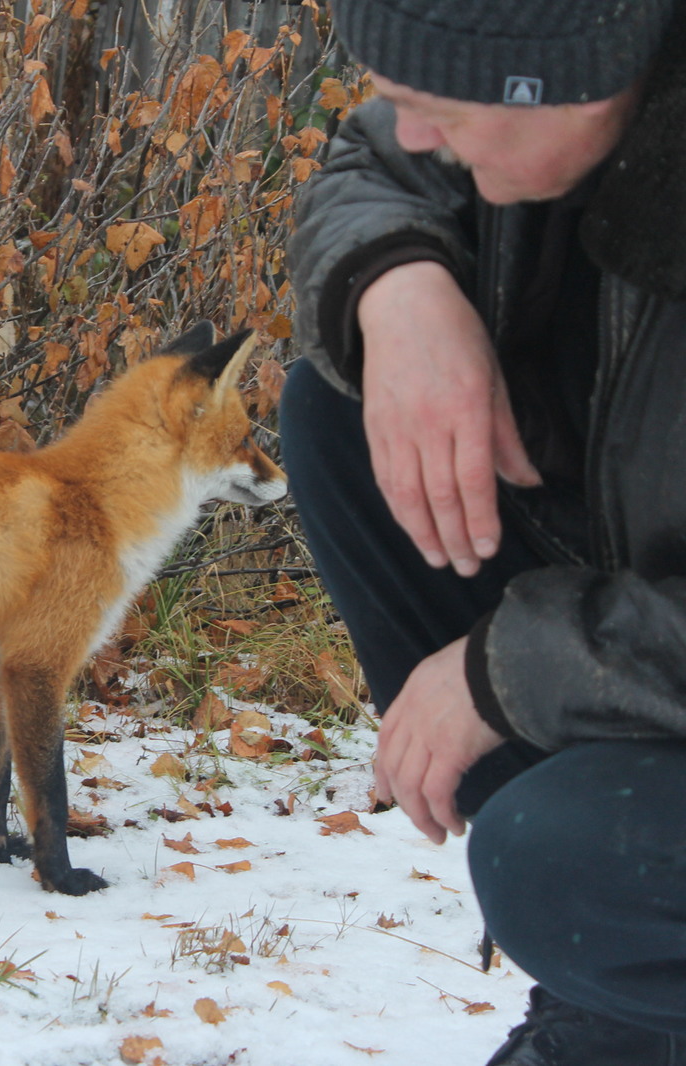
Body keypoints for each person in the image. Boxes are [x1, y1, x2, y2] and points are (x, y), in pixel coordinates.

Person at [278, 0, 686, 1062]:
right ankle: (621, 996)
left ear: (564, 76)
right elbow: (374, 160)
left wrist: (506, 668)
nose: (415, 131)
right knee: (339, 416)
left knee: (559, 863)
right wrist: (395, 286)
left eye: (437, 105)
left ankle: (620, 962)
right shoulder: (555, 95)